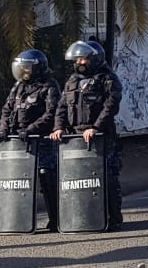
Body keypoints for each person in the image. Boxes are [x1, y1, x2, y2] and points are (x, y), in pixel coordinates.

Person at [51, 40, 125, 231]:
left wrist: (95, 128)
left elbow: (110, 107)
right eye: (77, 59)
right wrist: (58, 127)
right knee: (75, 180)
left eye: (83, 59)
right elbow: (61, 107)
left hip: (101, 137)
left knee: (107, 178)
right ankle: (79, 218)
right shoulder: (72, 81)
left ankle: (112, 218)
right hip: (74, 139)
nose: (80, 63)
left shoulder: (107, 79)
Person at [0, 49, 62, 230]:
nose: (23, 71)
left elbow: (52, 113)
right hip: (17, 142)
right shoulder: (18, 87)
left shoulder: (49, 86)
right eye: (21, 67)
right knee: (16, 179)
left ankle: (56, 220)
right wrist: (4, 129)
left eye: (27, 67)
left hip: (41, 141)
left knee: (46, 177)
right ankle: (16, 222)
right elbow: (6, 110)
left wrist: (31, 129)